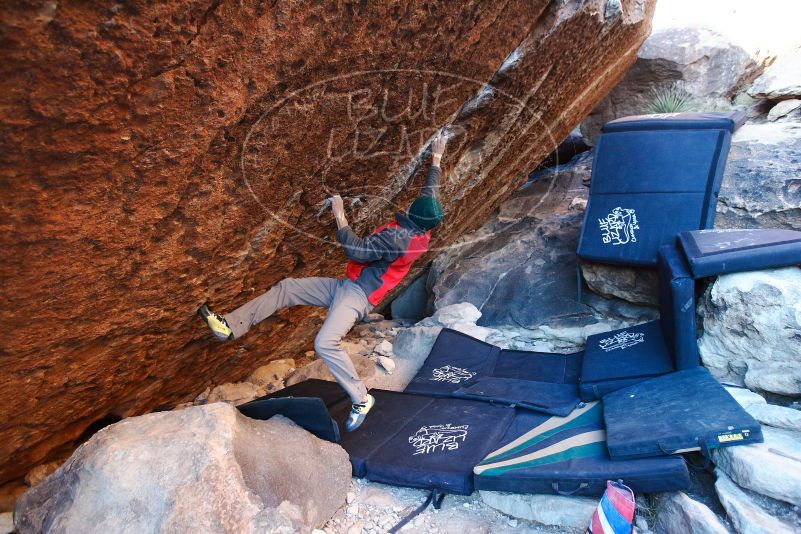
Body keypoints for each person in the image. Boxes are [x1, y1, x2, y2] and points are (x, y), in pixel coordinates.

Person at [199, 133, 448, 431]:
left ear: (412, 215)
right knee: (288, 288)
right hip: (345, 287)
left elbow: (356, 250)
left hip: (357, 296)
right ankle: (230, 325)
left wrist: (339, 214)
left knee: (325, 343)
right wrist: (436, 159)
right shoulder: (424, 230)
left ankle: (361, 398)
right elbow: (429, 194)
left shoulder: (399, 239)